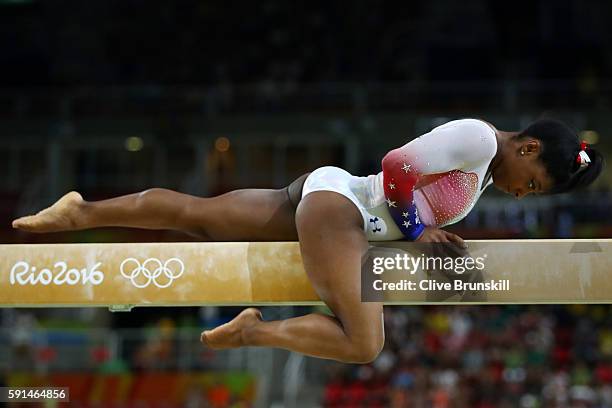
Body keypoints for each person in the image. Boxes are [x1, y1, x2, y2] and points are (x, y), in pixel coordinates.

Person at [11, 118, 604, 363]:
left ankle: (80, 211)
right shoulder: (478, 139)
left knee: (198, 216)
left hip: (328, 200)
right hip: (343, 211)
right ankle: (254, 330)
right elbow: (396, 166)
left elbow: (405, 194)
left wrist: (417, 235)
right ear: (527, 148)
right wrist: (420, 234)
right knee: (365, 344)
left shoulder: (480, 166)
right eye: (532, 183)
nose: (523, 194)